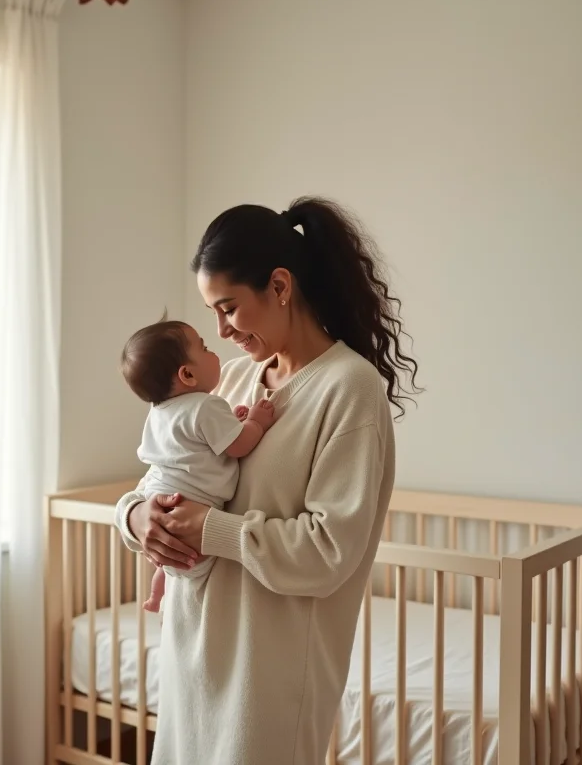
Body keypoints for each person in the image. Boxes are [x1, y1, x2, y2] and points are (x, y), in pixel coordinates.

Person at [115, 196, 420, 765]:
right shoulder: (228, 381)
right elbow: (161, 476)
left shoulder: (348, 389)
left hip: (268, 680)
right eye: (212, 314)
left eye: (228, 308)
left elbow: (329, 551)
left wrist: (213, 530)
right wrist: (136, 517)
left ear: (279, 286)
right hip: (191, 655)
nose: (222, 331)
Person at [120, 319, 276, 612]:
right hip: (192, 505)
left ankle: (156, 597)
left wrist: (232, 421)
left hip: (159, 497)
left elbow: (193, 447)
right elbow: (238, 445)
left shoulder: (159, 413)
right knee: (192, 567)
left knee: (171, 564)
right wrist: (255, 422)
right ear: (188, 374)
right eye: (204, 347)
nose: (215, 343)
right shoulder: (206, 405)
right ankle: (160, 598)